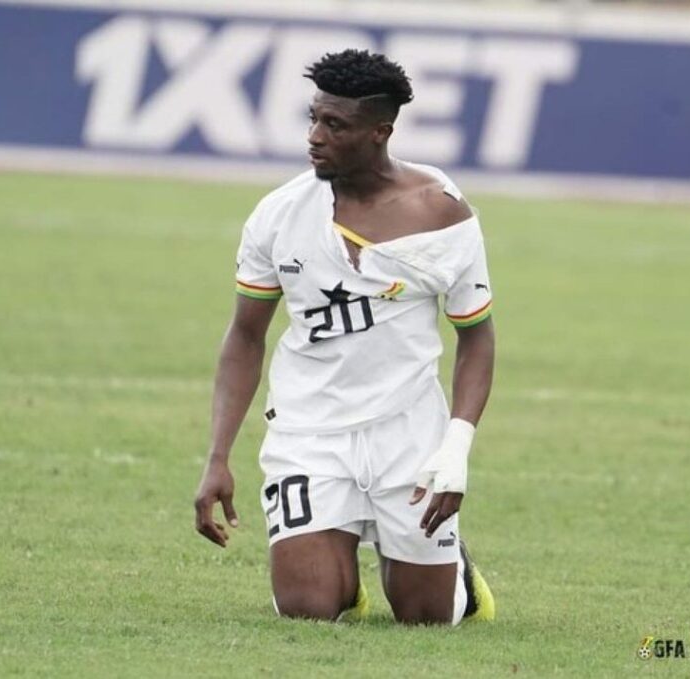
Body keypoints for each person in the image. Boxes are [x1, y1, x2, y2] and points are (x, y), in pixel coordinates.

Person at [193, 48, 496, 625]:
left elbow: (476, 338)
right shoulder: (278, 215)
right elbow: (245, 336)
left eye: (335, 125)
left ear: (380, 131)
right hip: (308, 431)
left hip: (409, 432)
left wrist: (455, 447)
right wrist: (218, 457)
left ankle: (455, 572)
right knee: (307, 609)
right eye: (313, 118)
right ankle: (336, 580)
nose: (315, 136)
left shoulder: (442, 214)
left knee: (426, 618)